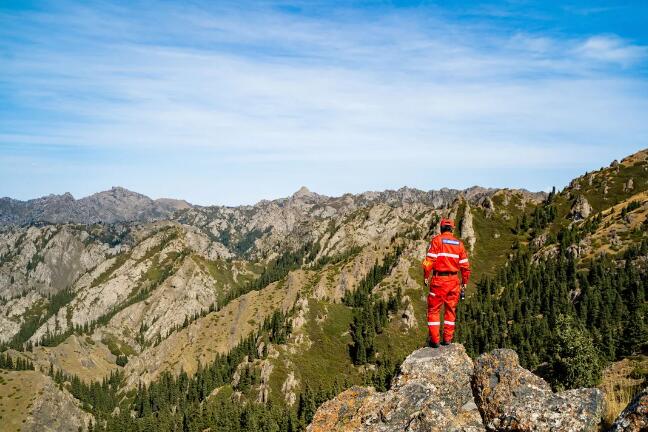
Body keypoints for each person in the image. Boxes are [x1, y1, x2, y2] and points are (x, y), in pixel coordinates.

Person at [421, 218, 471, 348]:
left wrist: (426, 276)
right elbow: (465, 266)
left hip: (439, 280)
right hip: (454, 281)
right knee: (450, 310)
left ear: (441, 228)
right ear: (452, 229)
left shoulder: (437, 241)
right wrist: (464, 282)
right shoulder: (459, 244)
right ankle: (447, 339)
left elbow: (428, 261)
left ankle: (435, 341)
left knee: (433, 310)